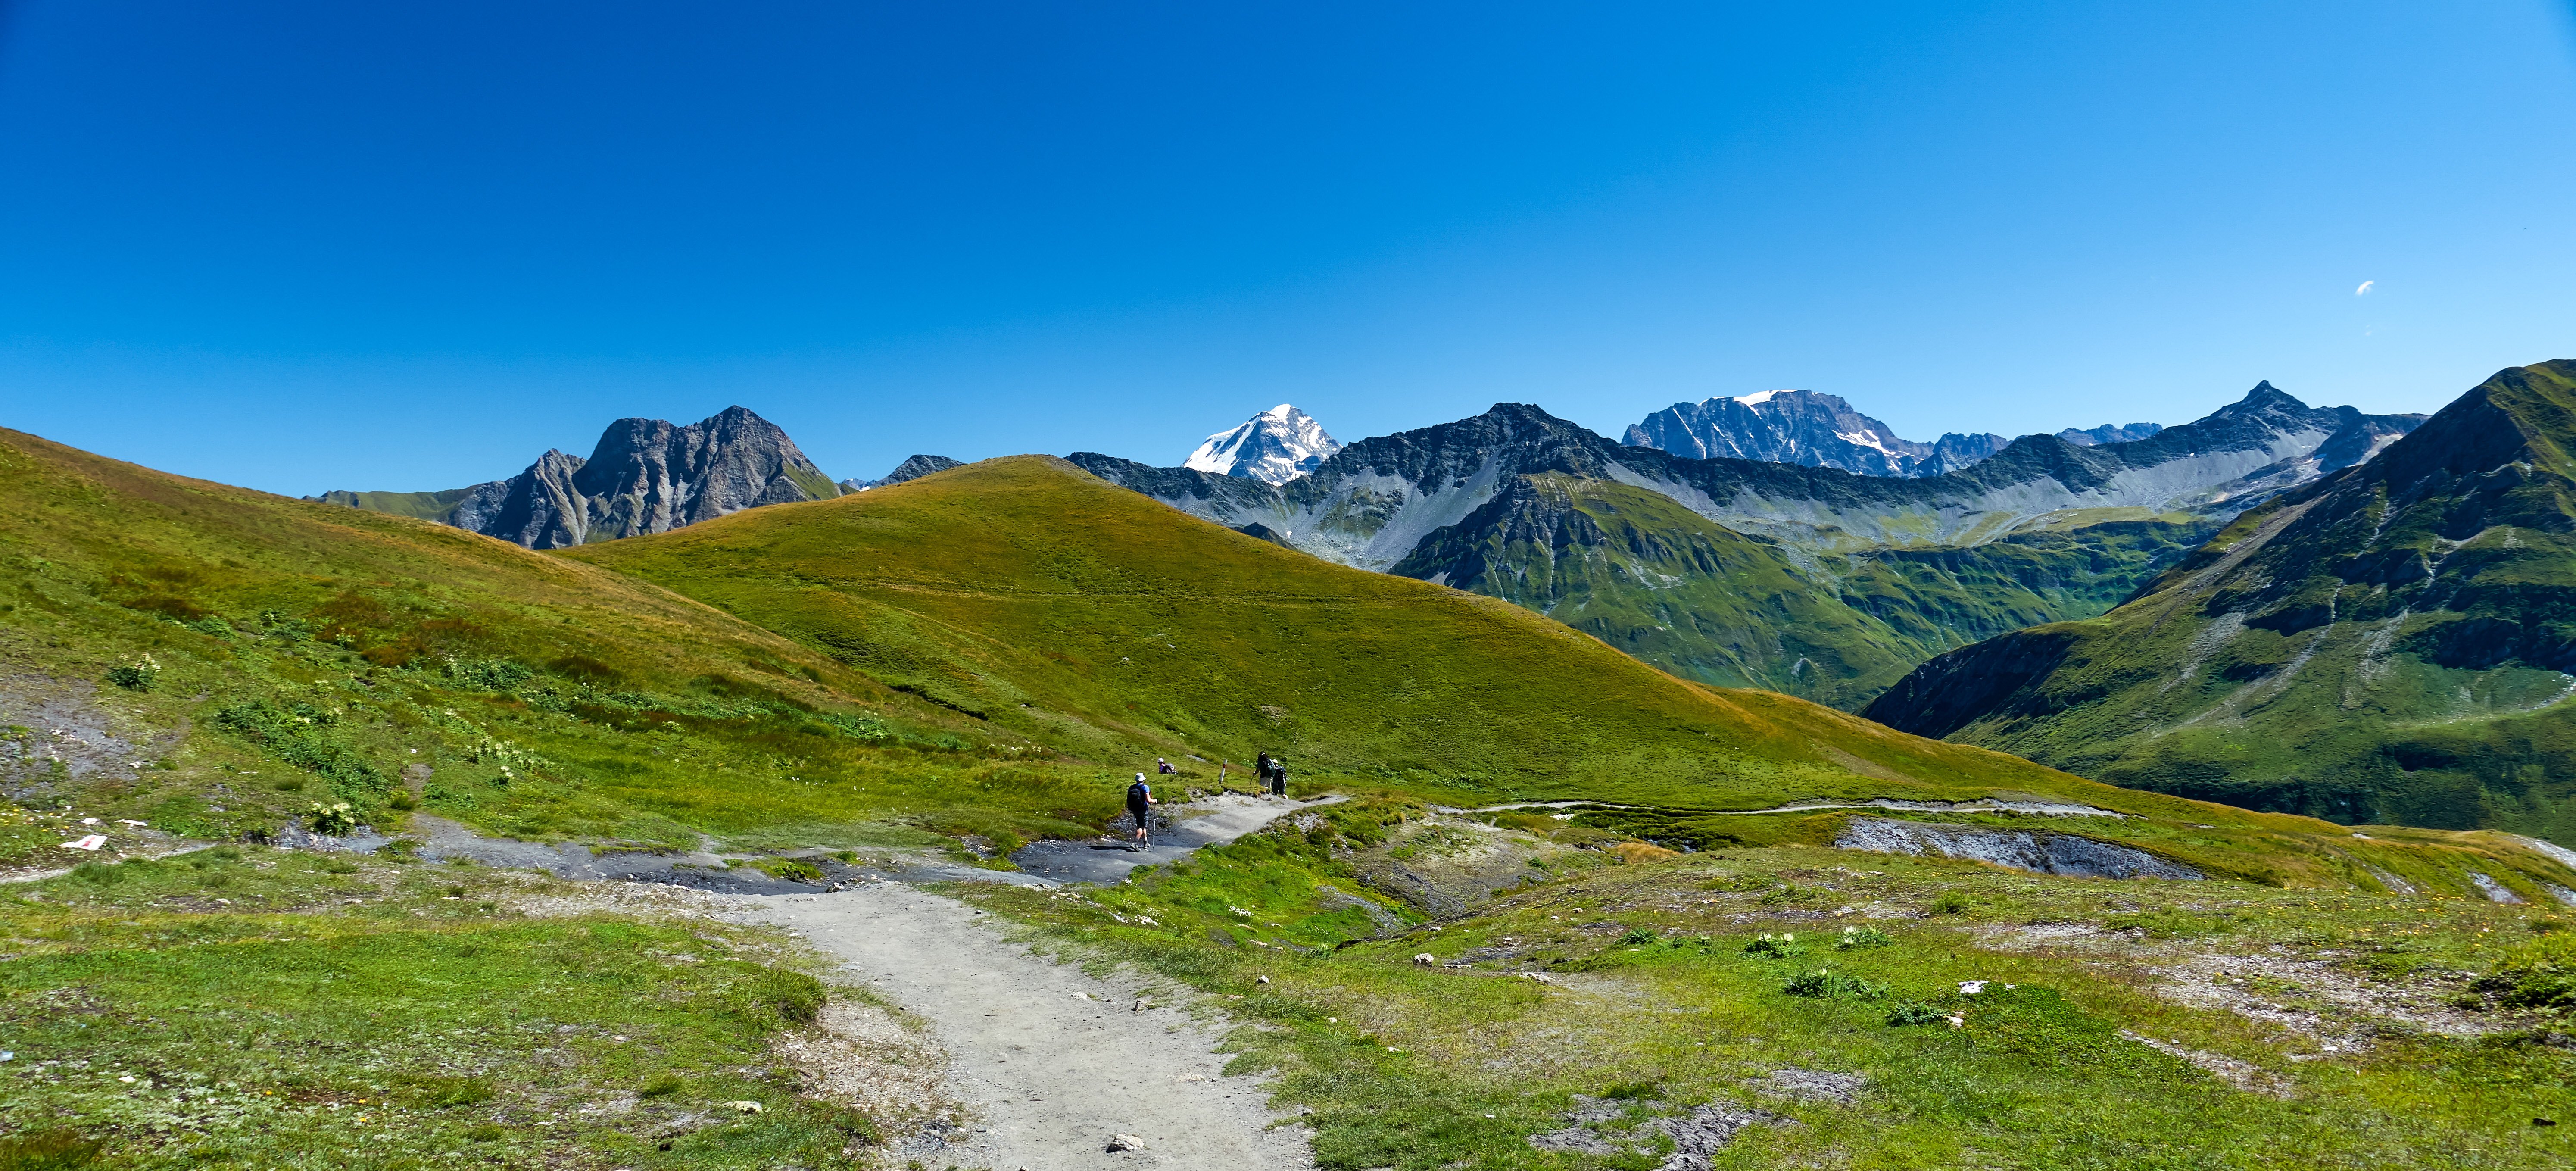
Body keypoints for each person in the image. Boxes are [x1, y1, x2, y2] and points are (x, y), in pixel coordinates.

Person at [1126, 772, 1158, 850]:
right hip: (1143, 809)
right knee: (1141, 827)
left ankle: (1145, 843)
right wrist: (1155, 801)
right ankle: (1135, 843)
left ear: (1136, 780)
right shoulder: (1145, 787)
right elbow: (1148, 800)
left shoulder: (1131, 788)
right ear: (1143, 779)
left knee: (1142, 826)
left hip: (1134, 809)